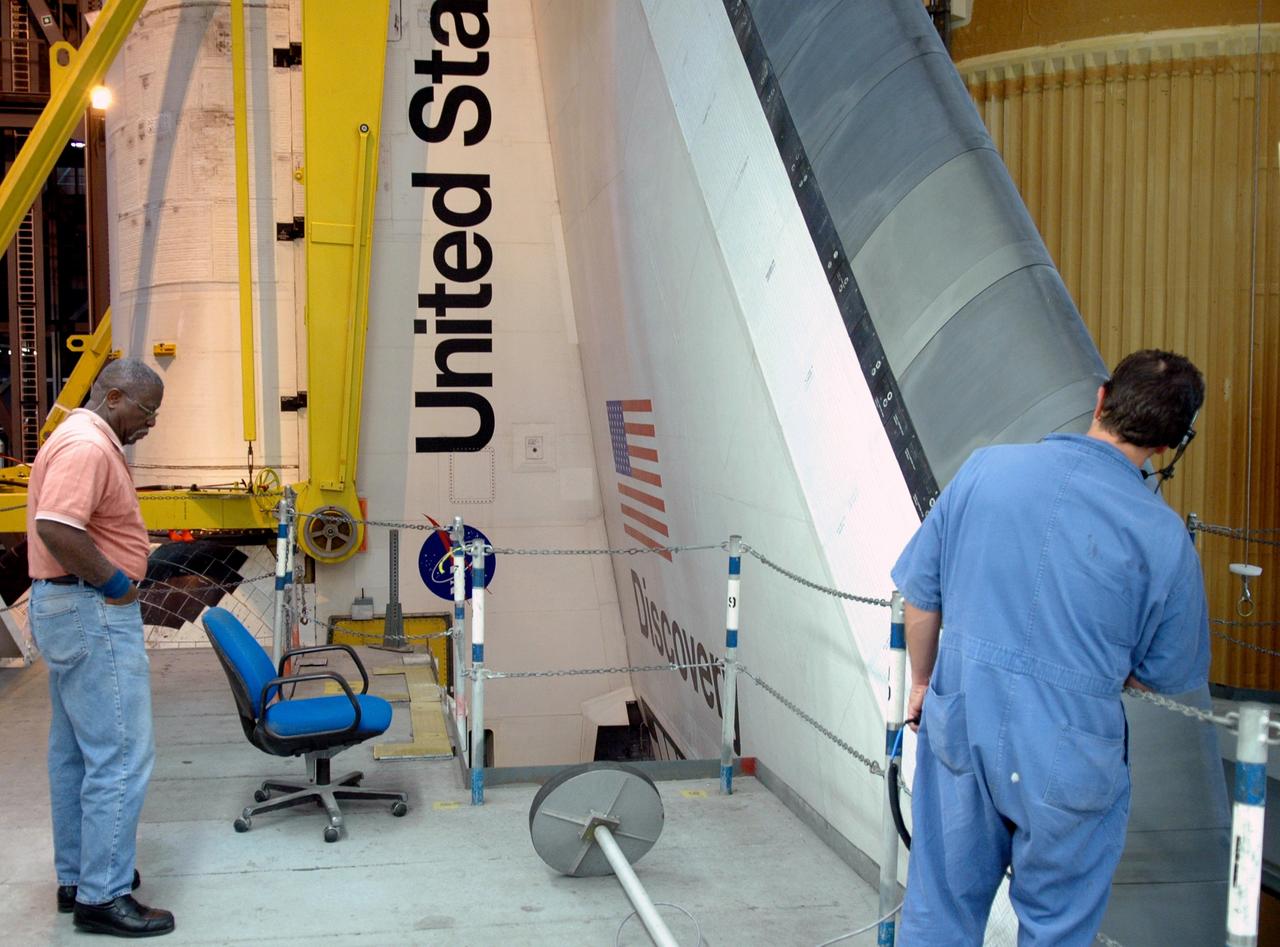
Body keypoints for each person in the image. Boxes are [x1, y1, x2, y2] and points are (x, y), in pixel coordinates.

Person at [891, 349, 1209, 946]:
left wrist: (923, 683)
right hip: (1072, 751)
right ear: (1170, 444)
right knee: (1057, 930)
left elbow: (921, 597)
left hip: (962, 720)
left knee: (938, 917)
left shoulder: (986, 470)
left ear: (1101, 397)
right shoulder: (1165, 538)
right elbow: (1163, 674)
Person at [25, 358, 175, 937]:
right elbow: (57, 526)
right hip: (91, 610)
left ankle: (78, 877)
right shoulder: (87, 446)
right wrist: (115, 584)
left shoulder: (78, 438)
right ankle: (103, 894)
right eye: (147, 410)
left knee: (75, 754)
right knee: (121, 754)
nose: (151, 423)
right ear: (113, 397)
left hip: (68, 608)